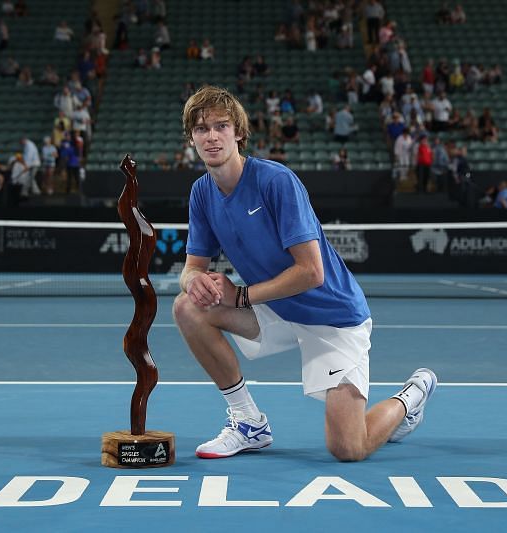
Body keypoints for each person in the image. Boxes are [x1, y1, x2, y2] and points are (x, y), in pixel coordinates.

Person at [173, 85, 437, 461]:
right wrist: (193, 282)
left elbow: (311, 272)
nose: (212, 136)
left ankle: (408, 399)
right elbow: (191, 269)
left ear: (239, 133)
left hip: (333, 317)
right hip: (278, 310)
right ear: (192, 138)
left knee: (348, 448)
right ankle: (248, 422)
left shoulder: (275, 181)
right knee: (187, 307)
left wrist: (242, 295)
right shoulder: (202, 192)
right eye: (201, 129)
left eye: (221, 126)